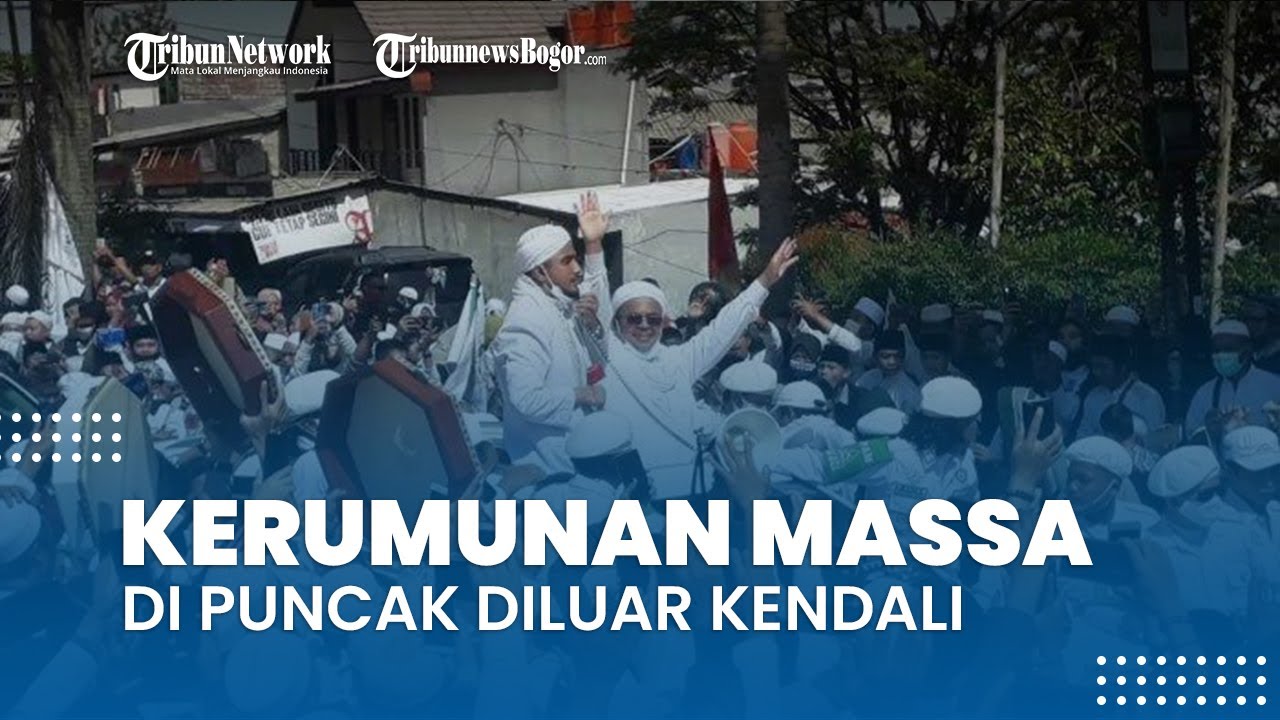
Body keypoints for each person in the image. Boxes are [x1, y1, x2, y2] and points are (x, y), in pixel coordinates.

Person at [598, 239, 798, 496]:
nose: (645, 325)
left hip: (694, 490)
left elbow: (721, 330)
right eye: (634, 318)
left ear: (663, 321)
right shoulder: (609, 360)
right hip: (642, 498)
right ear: (617, 323)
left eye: (653, 318)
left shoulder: (678, 360)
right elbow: (597, 314)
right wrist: (593, 248)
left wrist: (765, 281)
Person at [493, 193, 611, 459]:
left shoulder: (558, 305)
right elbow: (526, 400)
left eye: (576, 258)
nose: (577, 269)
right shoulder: (526, 320)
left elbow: (596, 292)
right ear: (539, 272)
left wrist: (593, 243)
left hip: (577, 457)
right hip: (546, 467)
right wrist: (582, 395)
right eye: (566, 261)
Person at [1183, 319, 1280, 436]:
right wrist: (1209, 430)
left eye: (1228, 349)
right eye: (1216, 350)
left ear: (1247, 351)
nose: (1220, 355)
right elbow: (1191, 434)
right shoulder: (1205, 393)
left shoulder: (1274, 386)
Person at [1075, 335, 1165, 440]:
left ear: (1122, 367)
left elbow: (1156, 441)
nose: (1096, 372)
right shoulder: (1093, 396)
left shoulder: (1148, 397)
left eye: (1103, 367)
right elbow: (1083, 436)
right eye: (1094, 366)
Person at [853, 329, 921, 414]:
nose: (892, 362)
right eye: (885, 356)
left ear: (903, 357)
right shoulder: (868, 377)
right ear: (875, 357)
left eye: (897, 356)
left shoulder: (909, 389)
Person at [772, 380, 854, 451]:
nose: (778, 422)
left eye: (780, 414)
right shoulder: (847, 437)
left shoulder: (780, 437)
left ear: (789, 412)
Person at [1242, 296, 1280, 375]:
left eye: (1257, 320)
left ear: (1274, 322)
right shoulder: (1245, 358)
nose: (1249, 325)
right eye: (1246, 319)